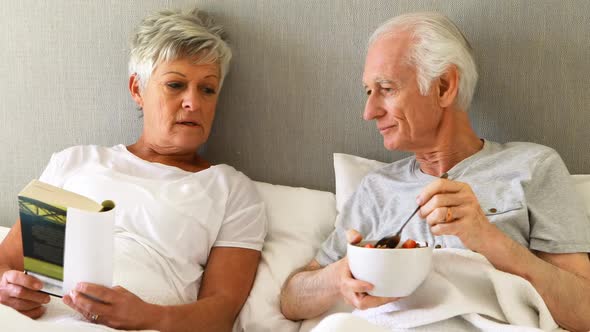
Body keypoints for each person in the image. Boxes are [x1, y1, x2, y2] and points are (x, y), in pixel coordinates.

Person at [280, 12, 590, 331]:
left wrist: (488, 238)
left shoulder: (532, 167)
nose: (369, 112)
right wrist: (344, 274)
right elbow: (291, 299)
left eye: (385, 88)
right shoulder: (376, 189)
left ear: (443, 86)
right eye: (368, 91)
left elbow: (584, 311)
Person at [0, 8, 266, 332]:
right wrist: (10, 289)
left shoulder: (231, 190)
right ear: (137, 90)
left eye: (207, 89)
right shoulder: (76, 162)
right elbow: (7, 262)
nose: (193, 103)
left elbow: (221, 314)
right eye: (175, 85)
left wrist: (146, 316)